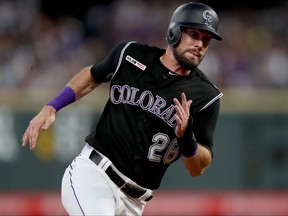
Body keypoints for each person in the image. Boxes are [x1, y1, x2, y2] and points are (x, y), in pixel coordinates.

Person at [22, 2, 223, 215]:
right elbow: (92, 76)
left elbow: (198, 167)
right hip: (94, 175)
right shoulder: (131, 54)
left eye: (206, 39)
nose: (199, 44)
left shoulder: (206, 96)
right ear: (174, 32)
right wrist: (52, 107)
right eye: (193, 34)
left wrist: (186, 138)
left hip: (136, 202)